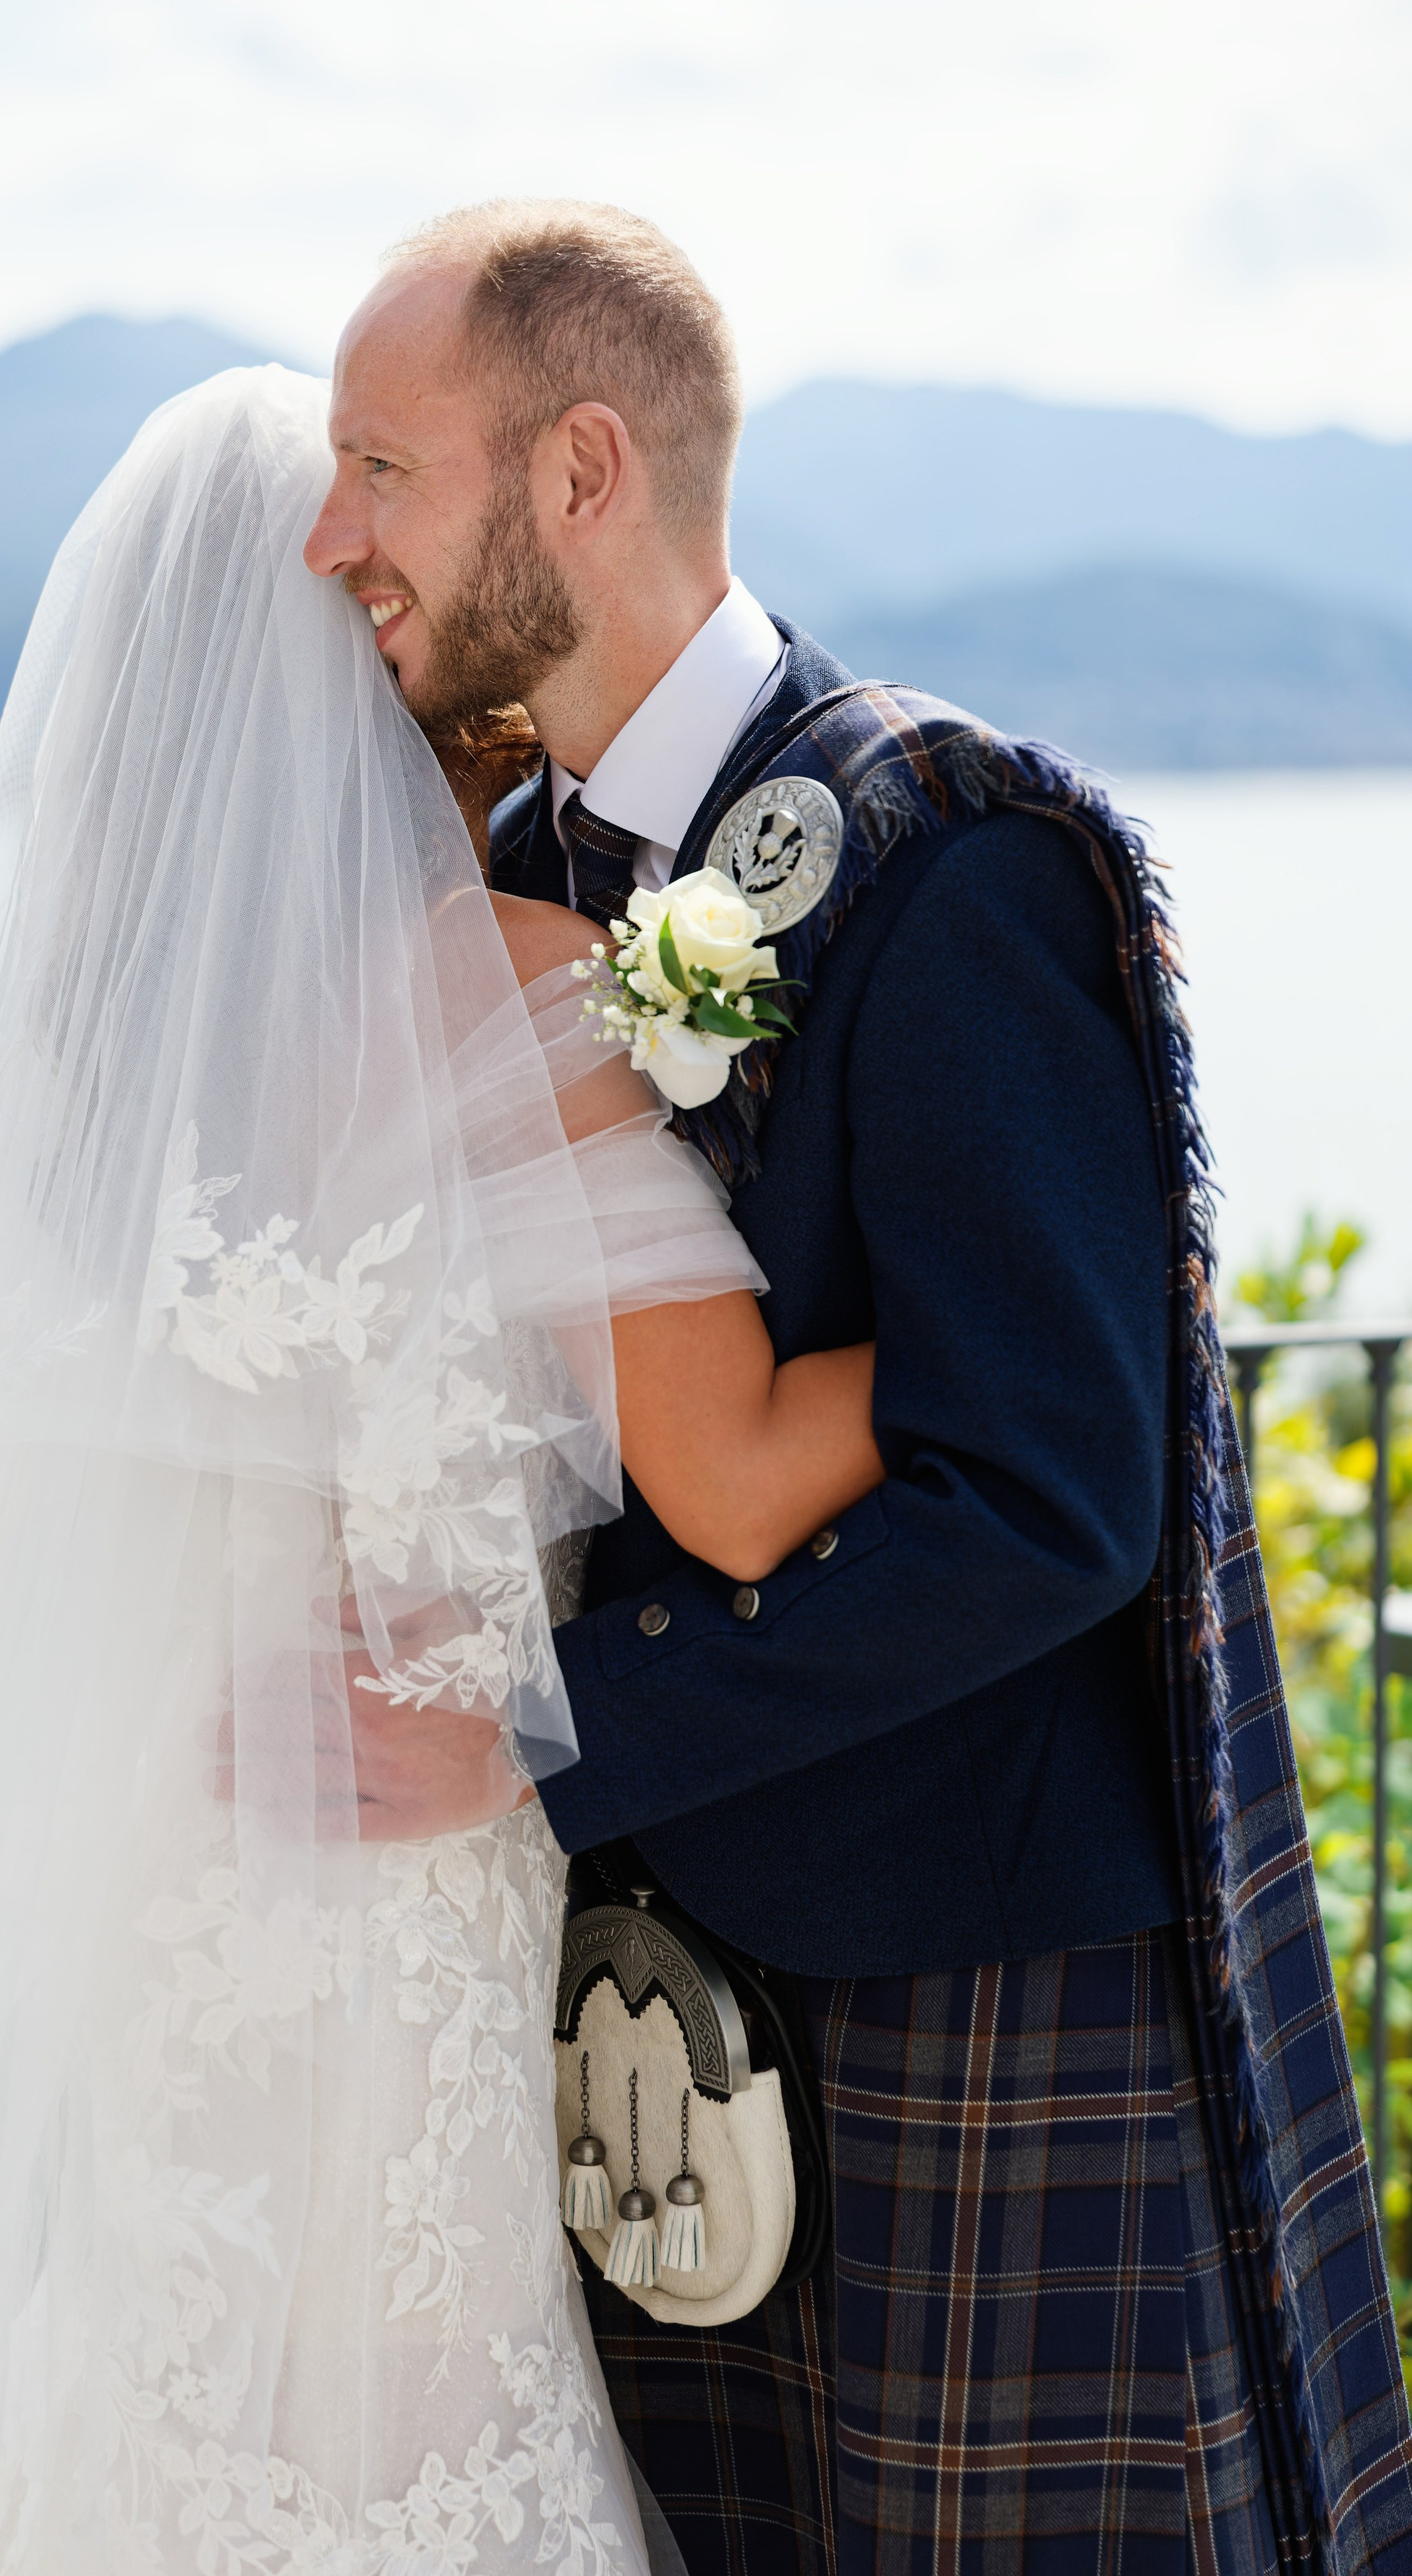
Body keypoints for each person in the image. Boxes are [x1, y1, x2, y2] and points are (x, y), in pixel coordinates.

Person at [0, 363, 882, 2575]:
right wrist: (1027, 1347)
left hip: (169, 1887)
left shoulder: (85, 1078)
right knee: (398, 2439)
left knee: (152, 2391)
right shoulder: (513, 991)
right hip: (397, 1881)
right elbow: (737, 1480)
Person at [304, 201, 1412, 2576]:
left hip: (970, 2008)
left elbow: (1042, 1502)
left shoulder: (955, 858)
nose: (336, 535)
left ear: (578, 469)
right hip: (655, 2002)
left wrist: (540, 1725)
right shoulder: (515, 867)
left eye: (384, 468)